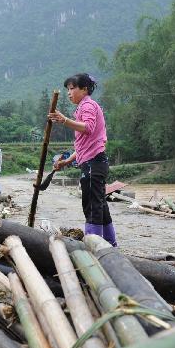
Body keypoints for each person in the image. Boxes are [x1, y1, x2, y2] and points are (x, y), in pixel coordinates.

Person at [47, 73, 117, 246]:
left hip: (94, 164)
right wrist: (67, 161)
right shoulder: (82, 108)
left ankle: (94, 247)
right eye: (67, 90)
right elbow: (83, 146)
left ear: (85, 89)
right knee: (100, 204)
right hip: (93, 162)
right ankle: (110, 243)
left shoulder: (88, 106)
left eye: (72, 88)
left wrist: (64, 120)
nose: (69, 93)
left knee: (92, 205)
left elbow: (88, 128)